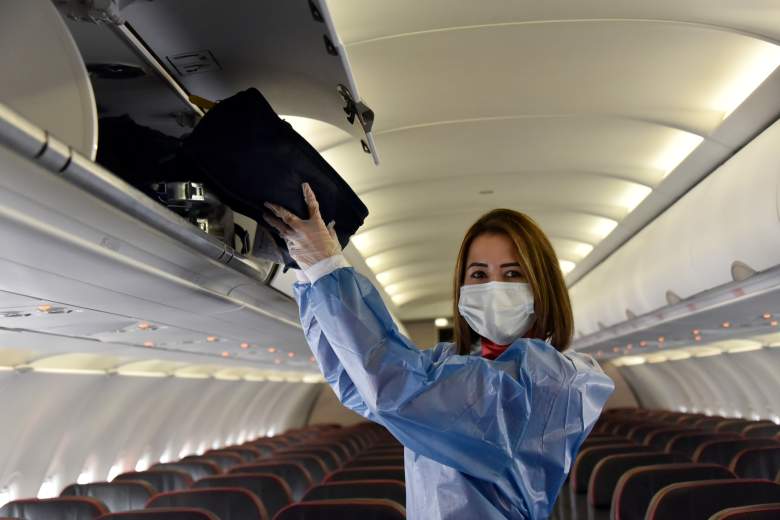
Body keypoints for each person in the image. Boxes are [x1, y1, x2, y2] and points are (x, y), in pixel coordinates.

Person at [263, 183, 614, 519]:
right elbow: (356, 384)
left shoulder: (552, 378)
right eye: (478, 274)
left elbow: (395, 390)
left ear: (542, 286)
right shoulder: (450, 363)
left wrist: (327, 268)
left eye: (512, 274)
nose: (493, 286)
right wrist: (307, 273)